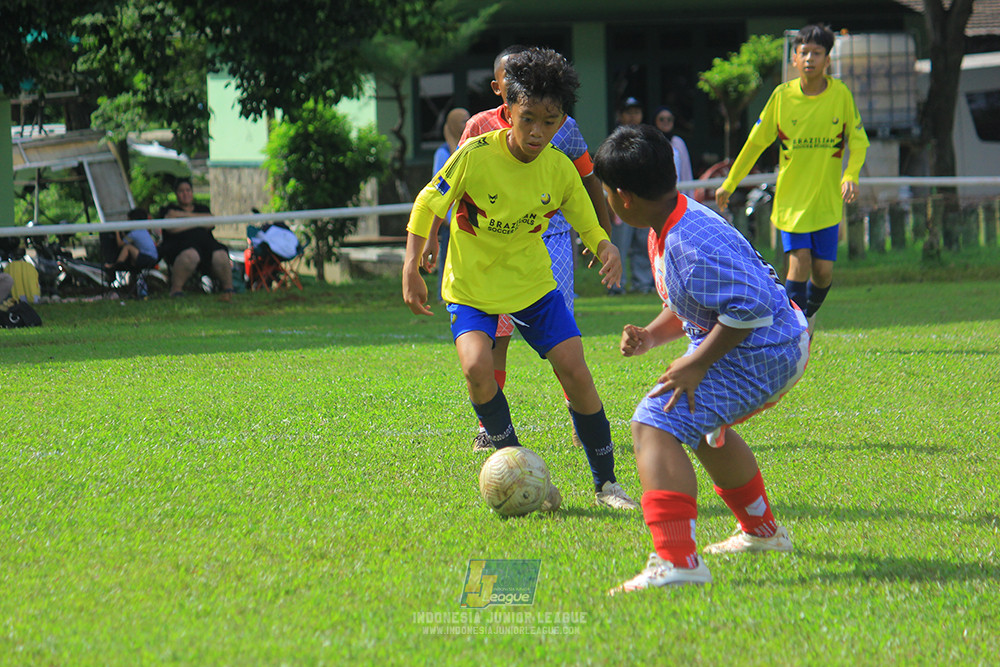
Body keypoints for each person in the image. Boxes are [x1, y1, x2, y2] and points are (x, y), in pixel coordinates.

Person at [403, 47, 638, 511]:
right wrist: (411, 264)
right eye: (527, 118)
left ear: (561, 119)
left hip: (533, 286)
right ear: (507, 108)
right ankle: (515, 462)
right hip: (471, 286)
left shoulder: (558, 169)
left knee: (575, 369)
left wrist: (605, 245)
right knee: (477, 369)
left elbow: (587, 222)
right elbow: (429, 202)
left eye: (549, 122)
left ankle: (607, 485)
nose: (537, 132)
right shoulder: (474, 154)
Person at [593, 124, 809, 592]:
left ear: (623, 198)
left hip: (766, 348)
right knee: (706, 429)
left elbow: (747, 307)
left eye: (606, 191)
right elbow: (698, 299)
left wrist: (697, 363)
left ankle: (678, 562)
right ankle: (762, 533)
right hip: (761, 338)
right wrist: (652, 336)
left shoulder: (689, 241)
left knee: (655, 422)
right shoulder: (672, 219)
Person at [425, 45, 612, 453]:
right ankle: (488, 427)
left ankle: (580, 416)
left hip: (552, 237)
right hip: (490, 246)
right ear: (503, 94)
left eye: (548, 120)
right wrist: (435, 238)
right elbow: (448, 187)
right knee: (497, 337)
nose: (538, 129)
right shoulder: (478, 130)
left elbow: (587, 176)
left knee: (565, 343)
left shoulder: (562, 126)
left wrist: (602, 234)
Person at [716, 24, 869, 334]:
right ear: (794, 60)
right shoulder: (782, 97)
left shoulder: (840, 95)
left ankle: (807, 317)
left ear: (828, 60)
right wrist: (730, 182)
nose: (809, 58)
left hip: (826, 203)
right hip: (792, 202)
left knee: (823, 272)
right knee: (798, 263)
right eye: (803, 53)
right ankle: (793, 331)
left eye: (816, 53)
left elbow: (859, 141)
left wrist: (850, 174)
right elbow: (755, 143)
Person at [158, 178, 235, 299]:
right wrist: (199, 222)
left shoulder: (201, 208)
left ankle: (229, 289)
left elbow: (211, 222)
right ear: (176, 194)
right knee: (190, 255)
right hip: (179, 246)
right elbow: (171, 228)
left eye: (188, 190)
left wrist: (183, 218)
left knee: (220, 254)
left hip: (206, 246)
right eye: (181, 191)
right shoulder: (169, 209)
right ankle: (176, 290)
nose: (185, 193)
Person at [607, 96, 654, 296]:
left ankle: (642, 284)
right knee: (618, 246)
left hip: (642, 199)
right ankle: (615, 286)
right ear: (621, 115)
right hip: (620, 199)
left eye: (637, 112)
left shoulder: (646, 140)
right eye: (629, 112)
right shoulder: (613, 140)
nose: (633, 116)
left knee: (643, 245)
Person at [431, 107, 470, 302]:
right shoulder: (443, 152)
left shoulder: (470, 147)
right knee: (446, 256)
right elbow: (439, 185)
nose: (467, 123)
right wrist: (445, 217)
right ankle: (442, 294)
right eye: (463, 120)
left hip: (469, 217)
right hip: (450, 219)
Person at [653, 106, 693, 193]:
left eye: (669, 119)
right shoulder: (651, 142)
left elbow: (686, 172)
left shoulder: (678, 142)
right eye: (661, 119)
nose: (666, 122)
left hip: (679, 193)